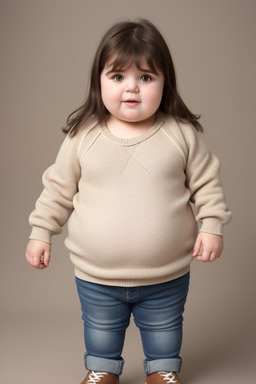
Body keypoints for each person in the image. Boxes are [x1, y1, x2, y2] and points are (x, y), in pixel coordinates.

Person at [25, 19, 231, 384]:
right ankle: (101, 368)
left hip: (166, 272)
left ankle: (163, 369)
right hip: (96, 274)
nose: (131, 88)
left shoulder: (180, 134)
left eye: (146, 77)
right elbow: (57, 189)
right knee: (101, 329)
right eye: (118, 77)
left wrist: (212, 225)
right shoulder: (83, 136)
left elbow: (206, 183)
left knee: (165, 328)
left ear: (165, 82)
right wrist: (41, 232)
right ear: (98, 81)